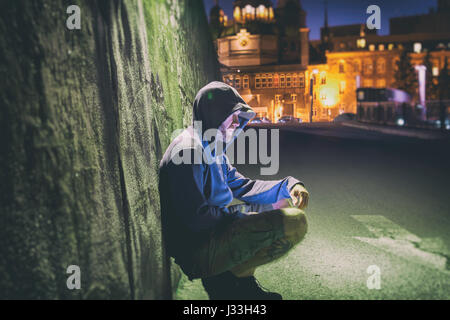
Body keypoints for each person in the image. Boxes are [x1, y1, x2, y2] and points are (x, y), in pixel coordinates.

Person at [159, 81, 309, 300]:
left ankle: (239, 280)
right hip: (199, 250)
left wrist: (290, 186)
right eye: (232, 116)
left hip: (210, 235)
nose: (237, 124)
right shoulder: (188, 151)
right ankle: (228, 280)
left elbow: (243, 186)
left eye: (240, 118)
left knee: (285, 201)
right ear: (213, 114)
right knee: (296, 222)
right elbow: (195, 218)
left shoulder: (212, 147)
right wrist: (240, 218)